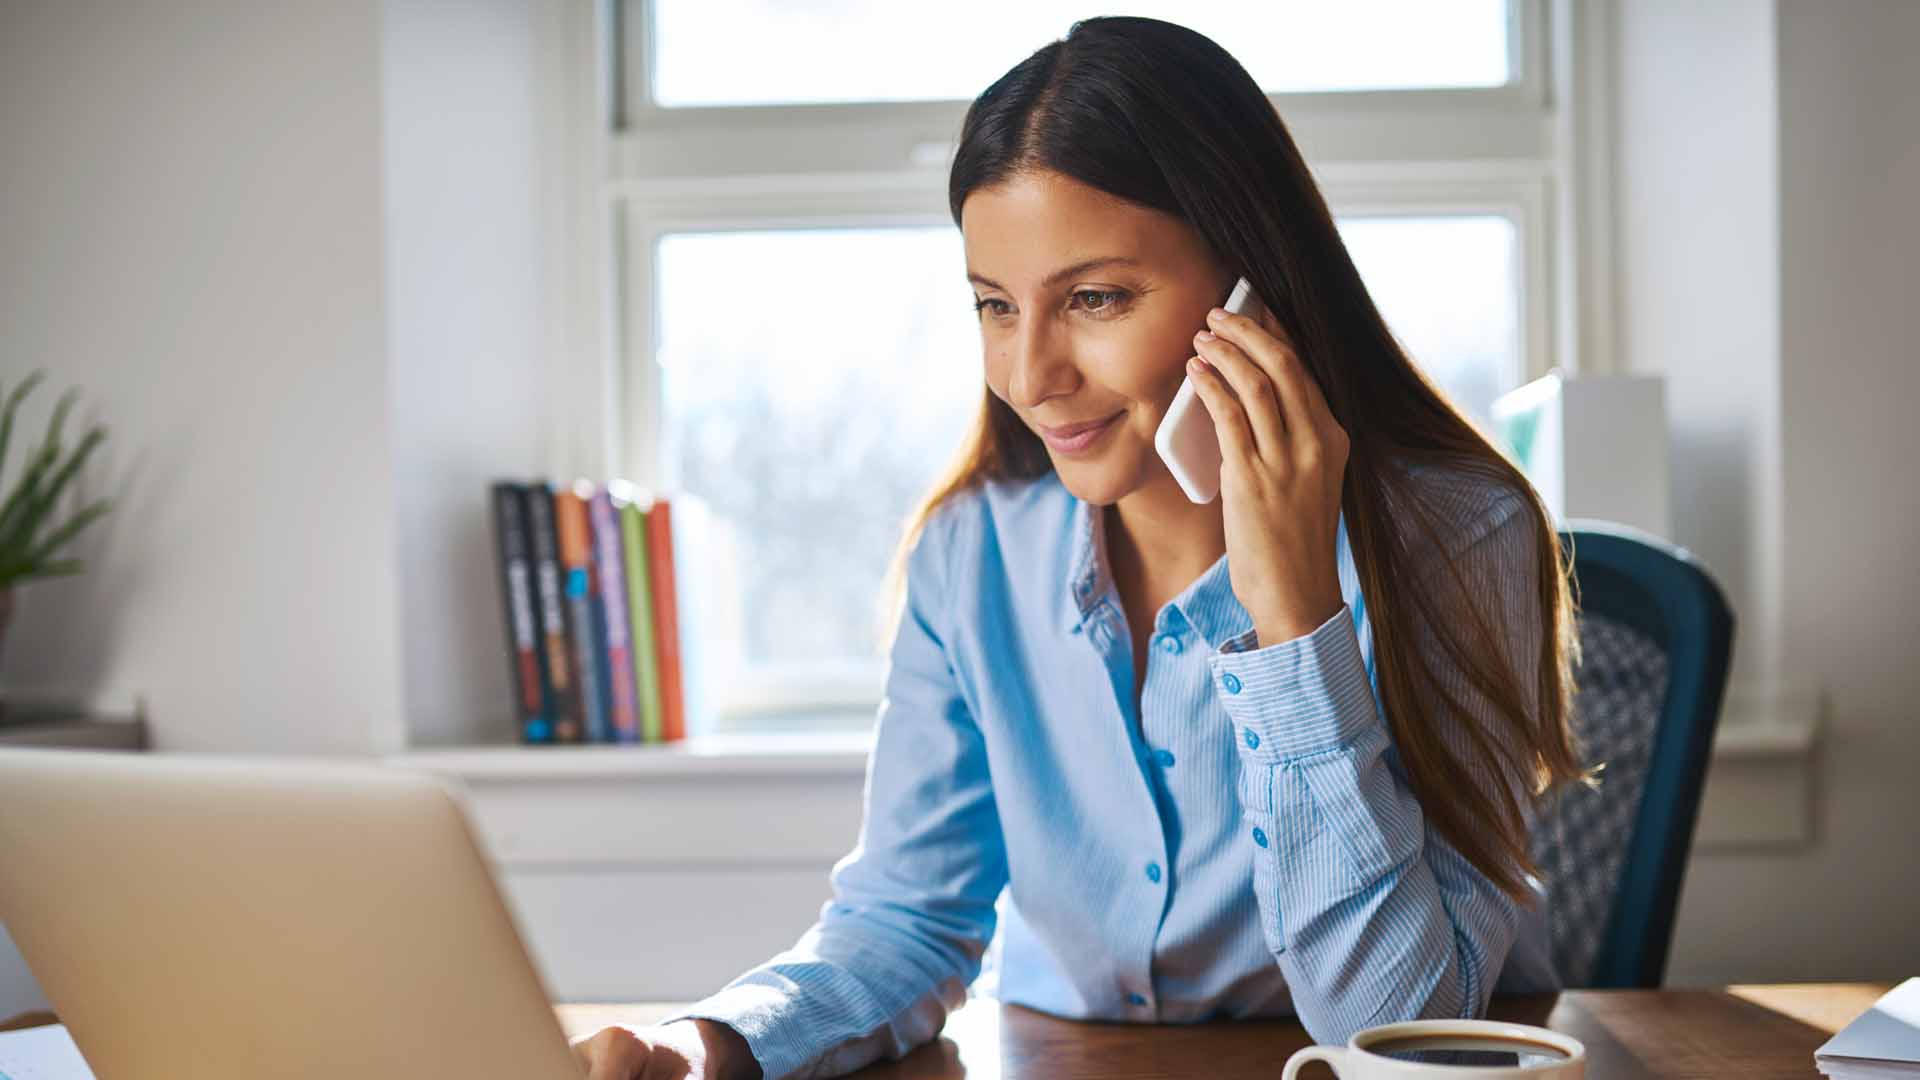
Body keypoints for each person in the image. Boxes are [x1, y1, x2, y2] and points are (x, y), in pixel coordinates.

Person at [570, 15, 1586, 1080]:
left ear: (1254, 286)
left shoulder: (1457, 536)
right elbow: (906, 923)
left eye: (1095, 299)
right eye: (996, 307)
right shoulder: (972, 553)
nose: (1030, 372)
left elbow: (1396, 1028)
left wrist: (1293, 621)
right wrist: (705, 1046)